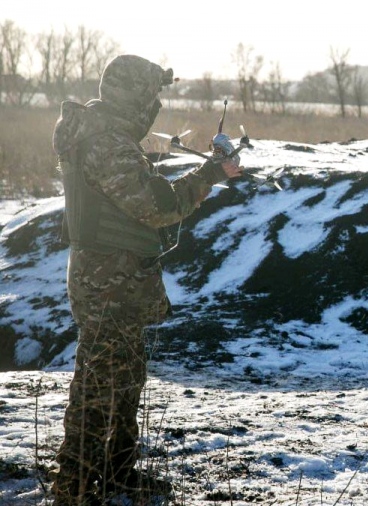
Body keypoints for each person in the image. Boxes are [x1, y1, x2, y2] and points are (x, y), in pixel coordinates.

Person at [50, 54, 242, 505]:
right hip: (107, 286)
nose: (154, 105)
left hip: (117, 280)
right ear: (134, 97)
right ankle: (75, 487)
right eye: (150, 95)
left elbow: (141, 193)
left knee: (125, 378)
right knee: (98, 388)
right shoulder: (106, 143)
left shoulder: (106, 135)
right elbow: (157, 205)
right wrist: (211, 174)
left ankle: (117, 474)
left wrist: (204, 171)